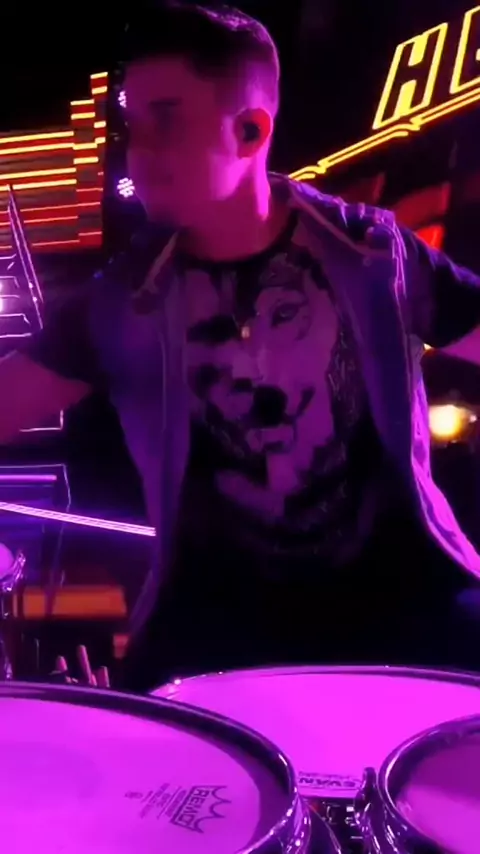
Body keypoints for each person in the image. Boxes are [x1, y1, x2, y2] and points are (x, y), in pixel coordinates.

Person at [2, 3, 480, 692]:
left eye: (167, 121)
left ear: (251, 130)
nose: (139, 153)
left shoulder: (373, 253)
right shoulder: (123, 304)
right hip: (214, 636)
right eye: (133, 127)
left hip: (413, 608)